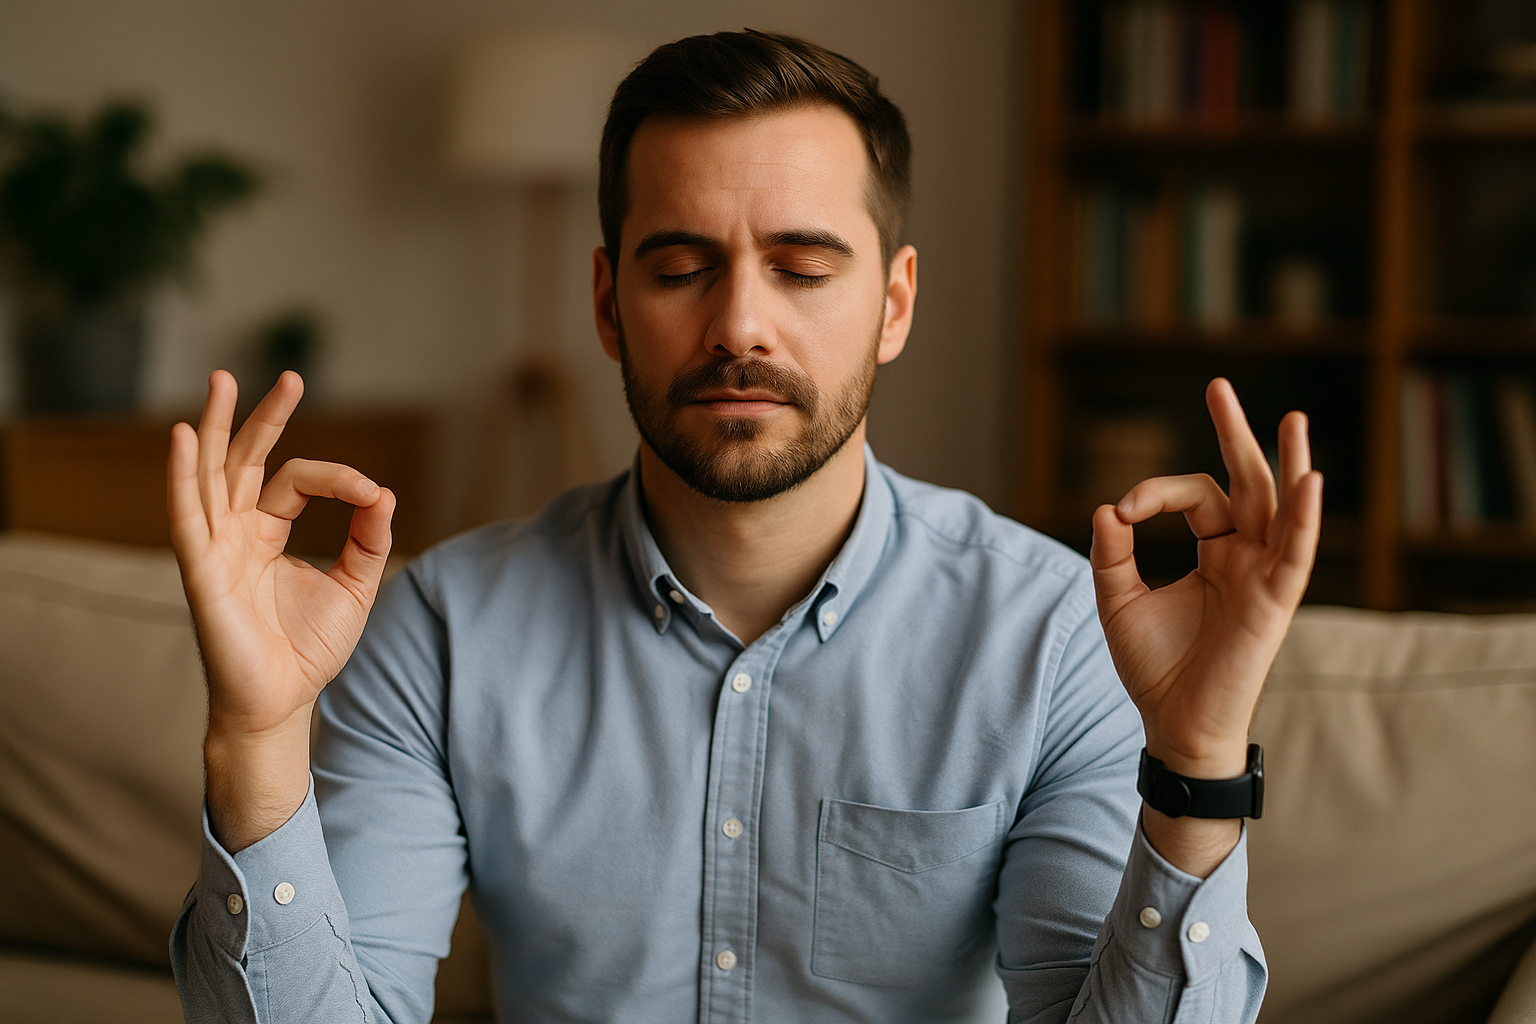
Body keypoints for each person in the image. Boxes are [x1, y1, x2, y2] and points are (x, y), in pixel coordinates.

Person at [169, 30, 1321, 1024]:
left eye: (803, 267)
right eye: (680, 267)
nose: (740, 325)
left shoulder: (1058, 633)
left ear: (895, 303)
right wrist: (259, 737)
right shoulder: (439, 626)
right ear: (610, 303)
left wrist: (1198, 766)